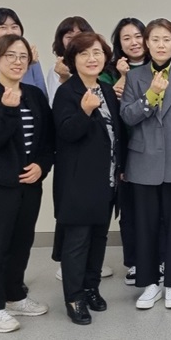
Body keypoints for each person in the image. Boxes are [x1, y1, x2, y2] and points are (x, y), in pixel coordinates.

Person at [0, 34, 54, 333]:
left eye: (23, 57)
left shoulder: (35, 95)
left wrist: (42, 166)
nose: (17, 62)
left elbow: (48, 140)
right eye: (10, 56)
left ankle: (15, 295)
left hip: (30, 183)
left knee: (21, 242)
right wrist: (7, 109)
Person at [120, 18, 171, 310]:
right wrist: (151, 95)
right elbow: (128, 116)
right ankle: (149, 284)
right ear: (146, 43)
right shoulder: (135, 77)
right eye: (155, 39)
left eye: (166, 39)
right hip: (143, 162)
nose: (160, 45)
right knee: (145, 226)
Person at [0, 8, 48, 275]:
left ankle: (14, 288)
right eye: (2, 27)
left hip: (28, 164)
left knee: (22, 235)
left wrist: (42, 164)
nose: (10, 30)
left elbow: (42, 112)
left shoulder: (31, 75)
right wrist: (9, 107)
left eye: (15, 26)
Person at [52, 32, 123, 325]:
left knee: (98, 237)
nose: (92, 59)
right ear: (73, 59)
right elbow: (65, 133)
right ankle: (74, 297)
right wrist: (84, 111)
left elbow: (117, 133)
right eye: (84, 54)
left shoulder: (105, 89)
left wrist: (121, 167)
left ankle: (91, 287)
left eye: (97, 52)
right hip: (78, 182)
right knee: (78, 241)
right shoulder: (67, 92)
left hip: (107, 179)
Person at [99, 18, 151, 286]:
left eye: (138, 36)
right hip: (125, 151)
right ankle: (133, 262)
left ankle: (158, 259)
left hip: (155, 149)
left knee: (157, 210)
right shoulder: (108, 73)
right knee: (130, 210)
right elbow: (107, 109)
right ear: (118, 44)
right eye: (126, 38)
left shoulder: (159, 66)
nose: (134, 42)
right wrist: (122, 77)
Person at [46, 16, 94, 106]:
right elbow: (54, 103)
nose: (75, 40)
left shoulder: (96, 64)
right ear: (61, 41)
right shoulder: (56, 69)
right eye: (69, 37)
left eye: (80, 35)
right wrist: (63, 78)